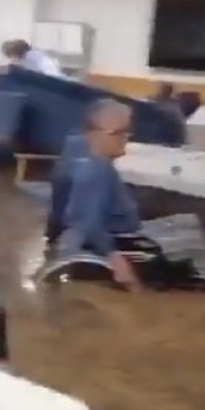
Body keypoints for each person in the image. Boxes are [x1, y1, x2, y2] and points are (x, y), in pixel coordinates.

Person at [55, 99, 143, 291]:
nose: (125, 138)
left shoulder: (85, 157)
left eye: (127, 131)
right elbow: (88, 223)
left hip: (96, 239)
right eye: (118, 133)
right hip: (109, 248)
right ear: (94, 134)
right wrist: (115, 258)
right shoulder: (97, 170)